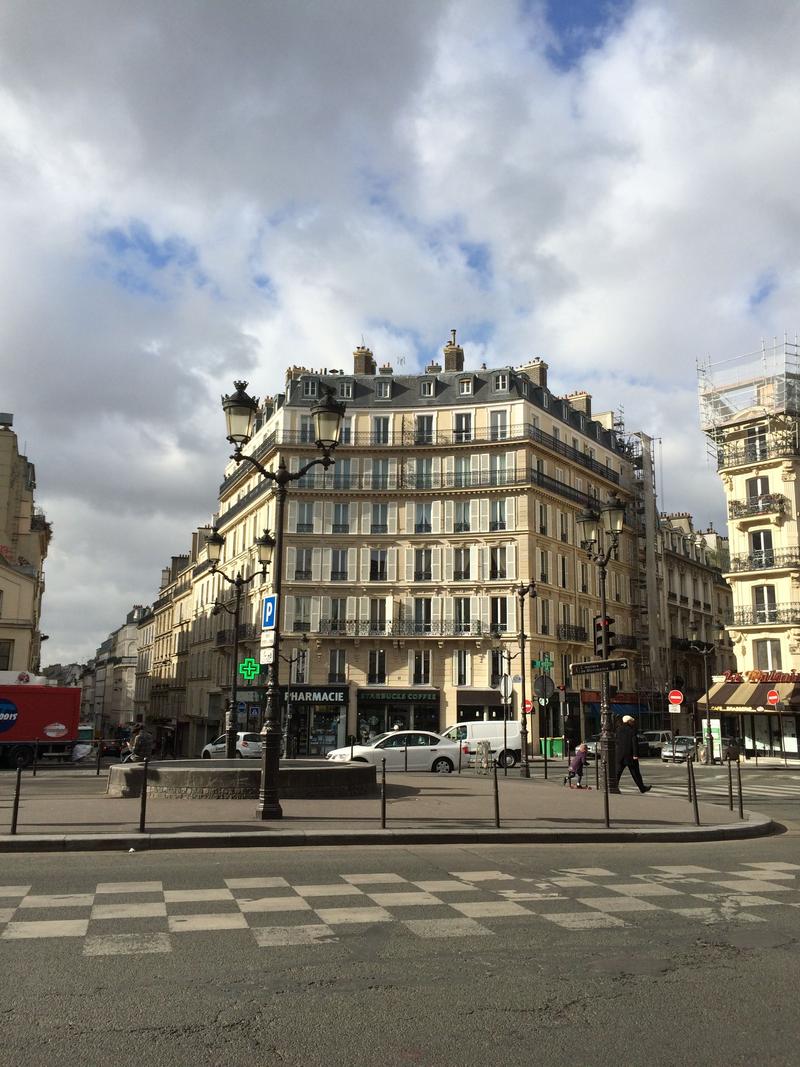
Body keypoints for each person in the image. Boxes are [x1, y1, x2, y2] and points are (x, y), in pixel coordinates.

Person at [615, 715, 651, 792]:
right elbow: (634, 742)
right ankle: (642, 788)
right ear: (628, 722)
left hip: (620, 755)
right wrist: (635, 754)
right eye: (632, 721)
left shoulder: (618, 729)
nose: (633, 723)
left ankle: (614, 786)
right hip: (630, 755)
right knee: (636, 773)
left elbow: (617, 742)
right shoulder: (632, 730)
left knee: (617, 772)